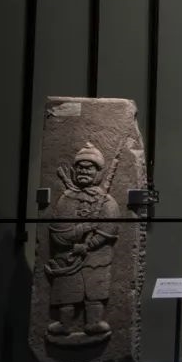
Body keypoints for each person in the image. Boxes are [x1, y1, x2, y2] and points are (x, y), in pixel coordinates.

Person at [46, 142, 119, 340]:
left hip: (96, 257)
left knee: (95, 288)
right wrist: (81, 230)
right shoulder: (66, 198)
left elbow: (109, 229)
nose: (84, 171)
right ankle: (65, 323)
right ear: (74, 171)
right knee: (67, 288)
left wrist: (88, 245)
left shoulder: (106, 201)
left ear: (98, 172)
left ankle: (94, 323)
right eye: (80, 168)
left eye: (89, 168)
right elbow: (58, 232)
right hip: (68, 256)